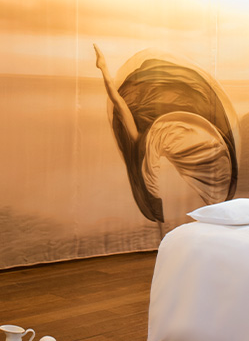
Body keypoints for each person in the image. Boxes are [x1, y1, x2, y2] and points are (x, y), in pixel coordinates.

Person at [94, 45, 239, 226]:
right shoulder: (138, 138)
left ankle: (210, 222)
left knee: (212, 183)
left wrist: (104, 69)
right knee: (183, 202)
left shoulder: (141, 136)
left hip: (188, 140)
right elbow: (118, 101)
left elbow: (119, 101)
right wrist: (104, 69)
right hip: (186, 147)